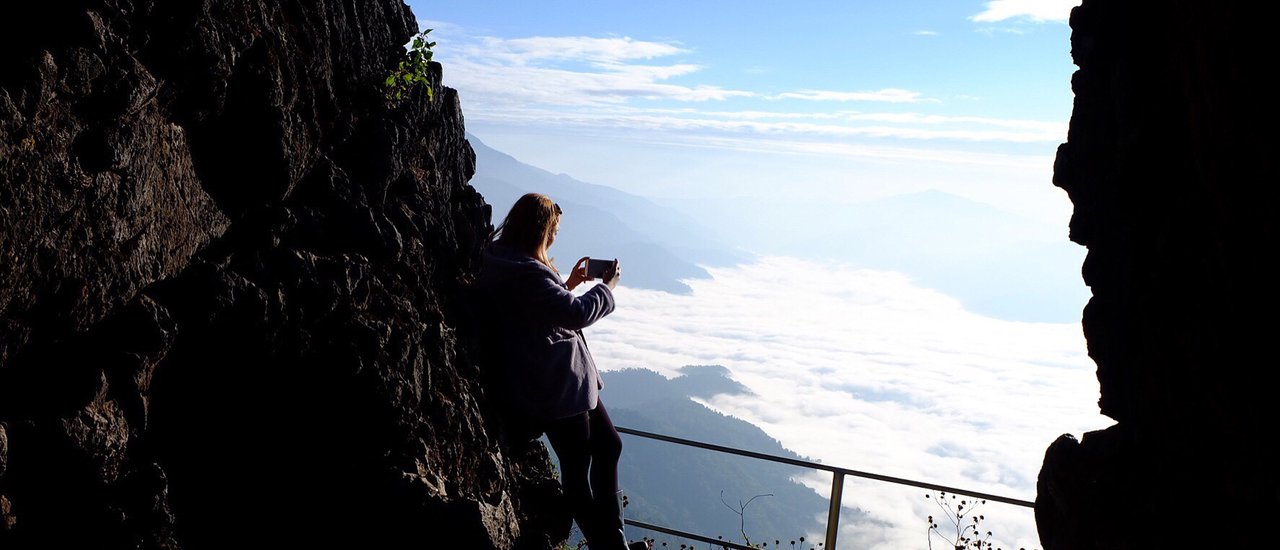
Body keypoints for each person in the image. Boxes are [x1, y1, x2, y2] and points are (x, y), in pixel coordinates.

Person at [475, 193, 647, 550]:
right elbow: (576, 314)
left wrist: (566, 285)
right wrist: (607, 287)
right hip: (557, 386)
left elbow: (538, 311)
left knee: (608, 446)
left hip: (569, 382)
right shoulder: (526, 273)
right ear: (541, 230)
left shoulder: (509, 263)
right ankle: (610, 547)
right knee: (576, 473)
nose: (554, 238)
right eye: (553, 230)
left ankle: (615, 543)